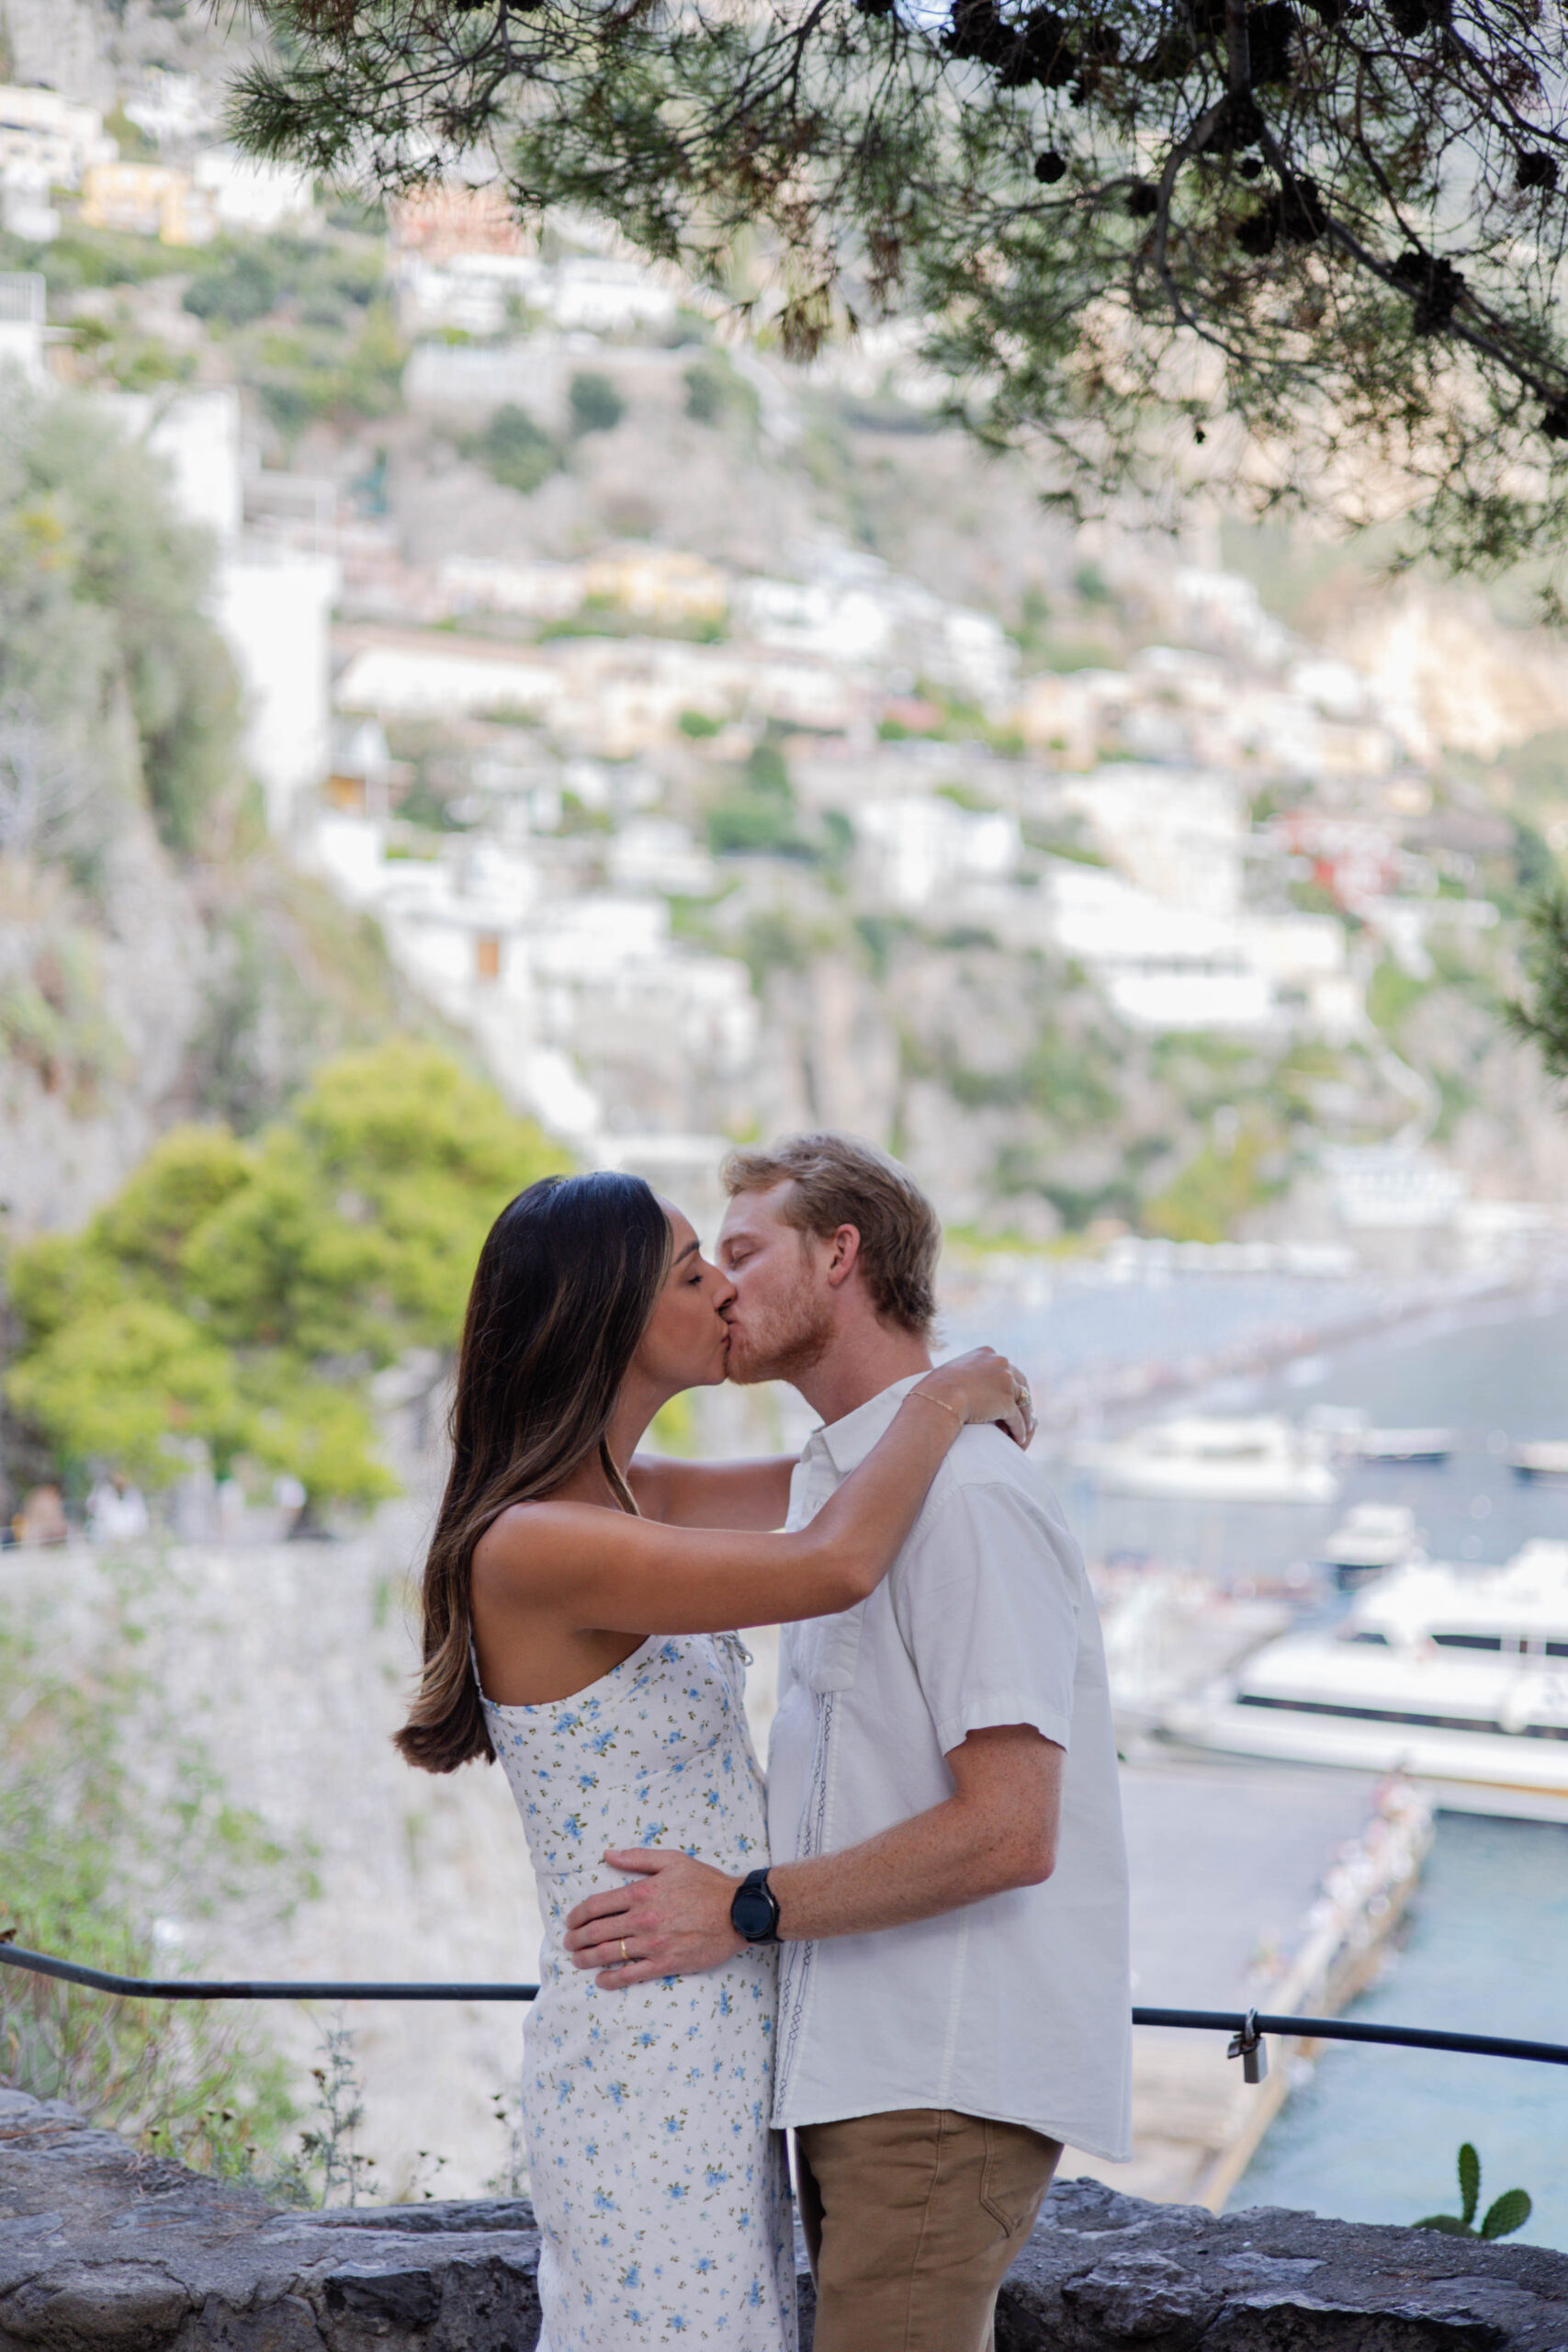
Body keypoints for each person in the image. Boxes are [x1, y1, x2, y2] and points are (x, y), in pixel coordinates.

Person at [395, 1168, 1032, 2352]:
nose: (726, 1293)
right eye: (697, 1274)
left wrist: (916, 1390)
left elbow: (842, 1486)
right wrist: (946, 1398)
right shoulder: (537, 1544)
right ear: (608, 1319)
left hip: (719, 2027)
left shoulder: (649, 1499)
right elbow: (833, 1561)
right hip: (649, 2047)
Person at [565, 1135, 1132, 2352]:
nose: (720, 1284)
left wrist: (745, 1909)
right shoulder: (852, 1484)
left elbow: (1012, 1828)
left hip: (936, 2082)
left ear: (840, 1255)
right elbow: (616, 1491)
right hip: (864, 2074)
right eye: (701, 1264)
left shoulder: (969, 1498)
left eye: (743, 1251)